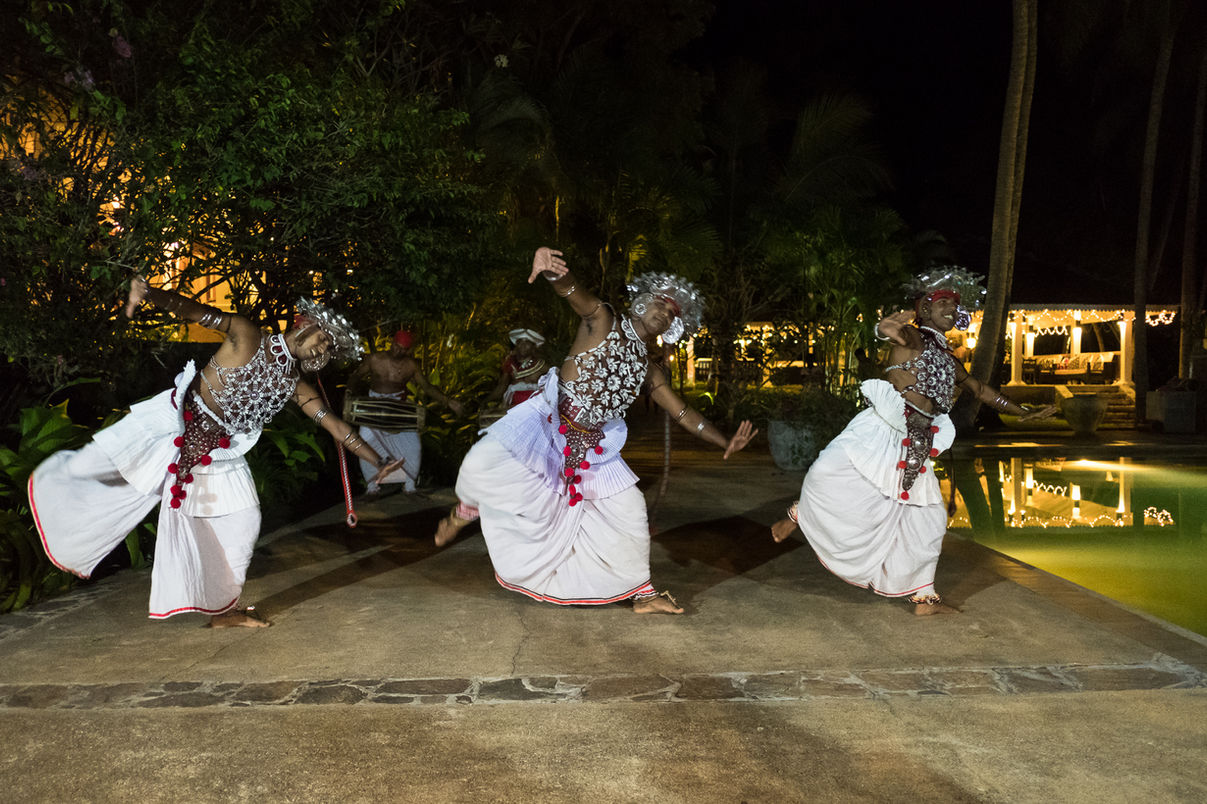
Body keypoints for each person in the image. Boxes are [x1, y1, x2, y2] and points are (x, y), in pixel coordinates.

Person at [28, 276, 403, 627]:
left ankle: (225, 611)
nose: (323, 347)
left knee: (245, 521)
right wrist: (149, 293)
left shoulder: (294, 384)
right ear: (304, 324)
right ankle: (54, 501)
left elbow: (336, 426)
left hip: (219, 452)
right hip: (175, 427)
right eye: (323, 337)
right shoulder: (247, 335)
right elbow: (194, 310)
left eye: (329, 347)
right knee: (108, 475)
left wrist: (380, 460)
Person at [434, 247, 756, 615]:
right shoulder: (603, 320)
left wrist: (724, 441)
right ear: (642, 301)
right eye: (660, 304)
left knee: (630, 509)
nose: (664, 314)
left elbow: (682, 413)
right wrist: (551, 271)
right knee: (485, 463)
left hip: (592, 449)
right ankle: (463, 513)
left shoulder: (649, 370)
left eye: (671, 314)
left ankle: (643, 594)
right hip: (551, 426)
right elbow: (574, 294)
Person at [770, 268, 1055, 615]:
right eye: (943, 301)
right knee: (828, 474)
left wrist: (1022, 411)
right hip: (884, 428)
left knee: (929, 518)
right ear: (925, 308)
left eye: (955, 304)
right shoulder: (914, 338)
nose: (951, 308)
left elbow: (980, 390)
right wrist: (885, 328)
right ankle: (798, 515)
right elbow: (891, 332)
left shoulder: (949, 360)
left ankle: (924, 597)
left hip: (918, 439)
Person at [349, 330, 464, 496]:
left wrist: (448, 401)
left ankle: (410, 486)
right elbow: (357, 375)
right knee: (365, 443)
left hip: (399, 408)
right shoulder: (375, 359)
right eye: (397, 346)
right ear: (392, 342)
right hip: (374, 405)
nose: (399, 350)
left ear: (408, 350)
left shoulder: (411, 365)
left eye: (403, 349)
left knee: (414, 446)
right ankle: (372, 488)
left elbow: (427, 387)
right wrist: (349, 391)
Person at [486, 328, 549, 409]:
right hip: (514, 406)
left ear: (533, 347)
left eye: (527, 343)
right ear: (516, 345)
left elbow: (555, 384)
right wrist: (486, 401)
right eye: (520, 342)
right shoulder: (510, 363)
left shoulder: (541, 365)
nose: (523, 345)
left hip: (534, 406)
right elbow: (502, 386)